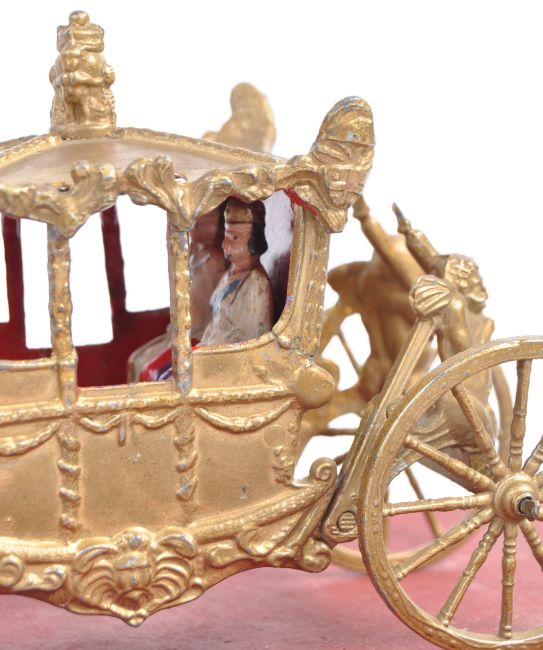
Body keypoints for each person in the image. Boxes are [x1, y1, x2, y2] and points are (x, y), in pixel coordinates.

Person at [200, 198, 273, 345]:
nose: (225, 243)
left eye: (235, 237)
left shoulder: (256, 283)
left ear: (254, 241)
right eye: (226, 235)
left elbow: (249, 336)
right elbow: (216, 322)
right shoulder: (229, 274)